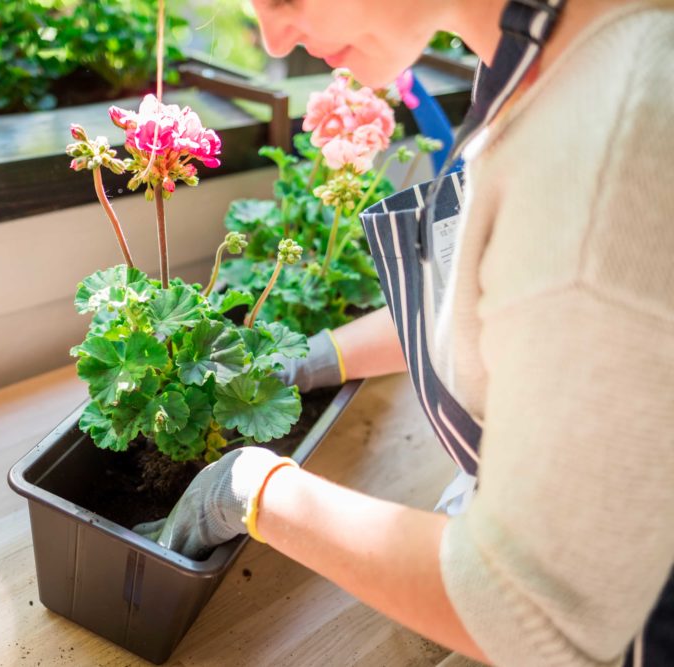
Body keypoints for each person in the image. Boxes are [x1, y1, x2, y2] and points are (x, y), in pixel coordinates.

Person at [135, 0, 674, 664]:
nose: (274, 35)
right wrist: (318, 359)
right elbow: (510, 303)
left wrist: (260, 492)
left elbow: (533, 612)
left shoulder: (604, 142)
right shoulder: (536, 52)